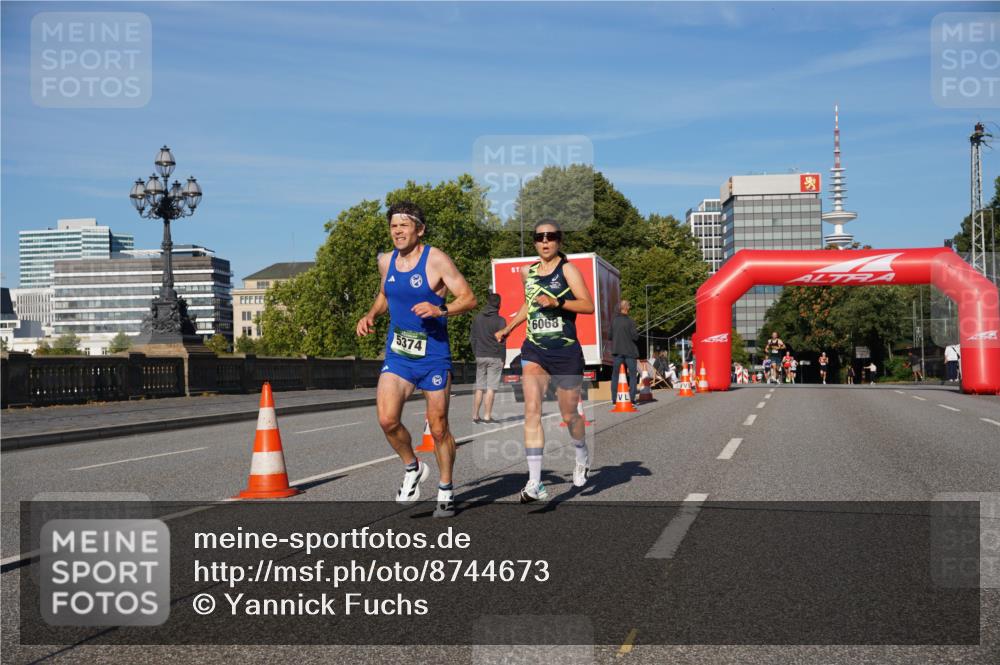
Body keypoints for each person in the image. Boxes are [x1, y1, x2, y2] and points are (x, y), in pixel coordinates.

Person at [356, 201, 476, 518]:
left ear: (419, 230)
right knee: (387, 419)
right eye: (393, 225)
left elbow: (468, 297)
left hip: (434, 356)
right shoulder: (387, 261)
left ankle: (446, 489)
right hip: (399, 355)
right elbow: (385, 294)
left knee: (438, 429)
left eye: (404, 225)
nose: (397, 231)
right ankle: (413, 467)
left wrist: (441, 309)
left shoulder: (435, 259)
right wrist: (370, 314)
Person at [495, 220, 595, 503]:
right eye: (540, 237)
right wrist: (509, 327)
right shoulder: (528, 272)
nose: (545, 241)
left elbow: (587, 305)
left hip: (565, 352)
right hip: (534, 349)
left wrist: (557, 303)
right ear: (535, 242)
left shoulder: (568, 270)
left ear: (559, 241)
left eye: (551, 237)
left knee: (569, 414)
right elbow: (528, 304)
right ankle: (535, 482)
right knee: (532, 410)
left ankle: (581, 453)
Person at [470, 292, 506, 424]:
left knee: (479, 387)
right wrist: (503, 358)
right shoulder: (501, 321)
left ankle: (475, 416)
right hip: (495, 356)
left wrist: (476, 353)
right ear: (499, 304)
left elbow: (472, 338)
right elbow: (502, 341)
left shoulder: (477, 318)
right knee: (491, 388)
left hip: (480, 355)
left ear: (487, 302)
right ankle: (487, 416)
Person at [611, 300, 640, 407]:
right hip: (630, 352)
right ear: (627, 308)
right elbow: (635, 337)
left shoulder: (614, 321)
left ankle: (614, 399)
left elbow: (610, 336)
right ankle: (631, 398)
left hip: (617, 351)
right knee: (632, 375)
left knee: (615, 375)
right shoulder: (631, 321)